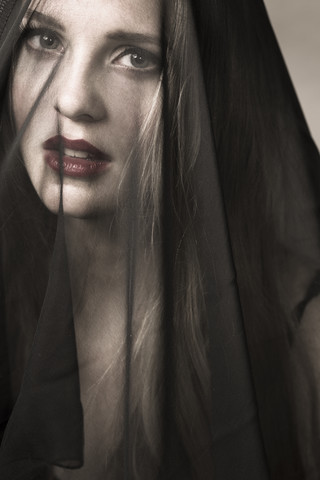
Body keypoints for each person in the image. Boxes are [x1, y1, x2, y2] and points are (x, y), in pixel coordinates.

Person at [0, 0, 320, 479]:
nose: (71, 99)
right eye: (45, 40)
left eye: (134, 57)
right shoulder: (9, 305)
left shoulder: (304, 345)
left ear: (211, 88)